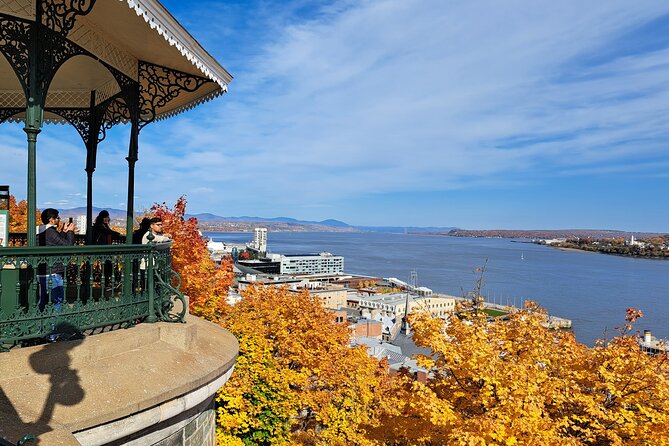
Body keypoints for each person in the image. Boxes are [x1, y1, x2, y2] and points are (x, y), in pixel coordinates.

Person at [37, 208, 76, 315]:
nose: (59, 220)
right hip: (52, 273)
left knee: (43, 301)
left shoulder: (42, 231)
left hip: (43, 272)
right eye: (57, 218)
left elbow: (57, 243)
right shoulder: (50, 232)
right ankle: (53, 328)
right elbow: (68, 246)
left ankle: (41, 326)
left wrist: (63, 232)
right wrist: (70, 231)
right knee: (57, 301)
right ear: (51, 219)